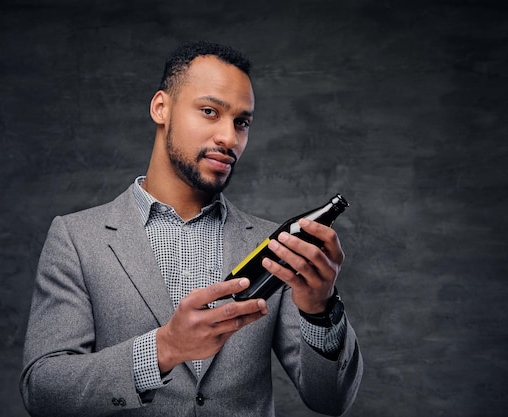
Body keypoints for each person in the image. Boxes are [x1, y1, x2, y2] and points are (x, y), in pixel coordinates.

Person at [20, 41, 363, 417]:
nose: (229, 138)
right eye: (209, 111)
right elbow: (44, 391)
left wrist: (319, 310)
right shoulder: (77, 239)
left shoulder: (272, 248)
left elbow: (330, 400)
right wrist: (163, 349)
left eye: (242, 123)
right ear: (161, 107)